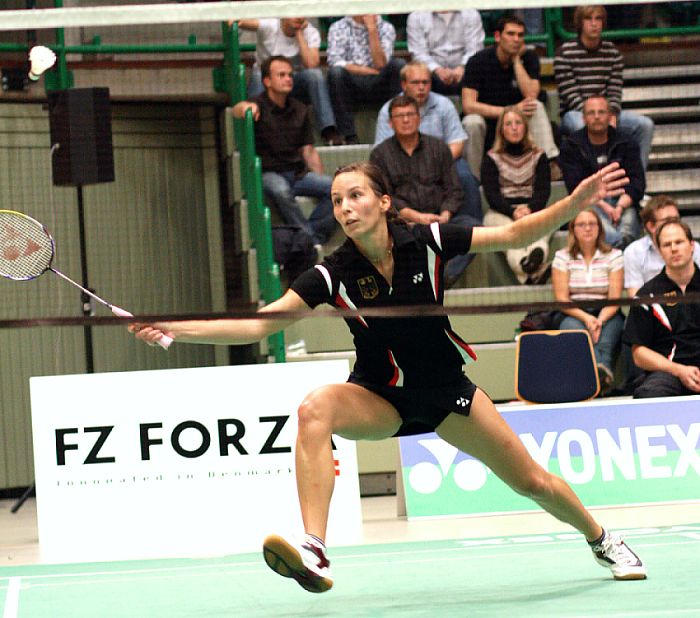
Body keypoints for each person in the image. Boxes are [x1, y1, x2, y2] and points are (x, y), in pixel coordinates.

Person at [131, 159, 647, 591]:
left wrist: (573, 204)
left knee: (533, 482)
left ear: (382, 201)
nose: (344, 207)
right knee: (314, 409)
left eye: (354, 195)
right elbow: (258, 324)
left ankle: (602, 539)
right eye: (336, 201)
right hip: (381, 397)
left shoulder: (427, 241)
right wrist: (176, 328)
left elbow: (514, 233)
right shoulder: (333, 272)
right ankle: (314, 549)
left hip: (448, 394)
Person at [232, 56, 335, 251]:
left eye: (290, 75)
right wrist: (245, 108)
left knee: (334, 188)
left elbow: (308, 149)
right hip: (268, 173)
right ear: (267, 81)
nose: (288, 79)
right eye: (281, 75)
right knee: (281, 191)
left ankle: (313, 234)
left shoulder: (299, 108)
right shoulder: (257, 104)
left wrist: (319, 177)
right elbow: (237, 110)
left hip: (296, 173)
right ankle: (310, 240)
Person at [370, 95, 474, 284]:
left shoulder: (438, 148)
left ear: (419, 118)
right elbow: (384, 197)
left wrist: (445, 214)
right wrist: (416, 217)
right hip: (404, 223)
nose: (406, 120)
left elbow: (454, 188)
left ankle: (444, 276)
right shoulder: (380, 155)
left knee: (474, 228)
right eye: (400, 116)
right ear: (390, 122)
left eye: (410, 114)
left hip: (440, 218)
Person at [374, 61, 482, 224]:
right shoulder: (388, 110)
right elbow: (383, 153)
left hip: (443, 156)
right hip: (401, 159)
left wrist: (433, 162)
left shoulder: (444, 105)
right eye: (416, 82)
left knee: (465, 177)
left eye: (425, 82)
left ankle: (472, 229)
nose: (421, 87)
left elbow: (457, 143)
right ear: (404, 84)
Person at [554, 5, 654, 169]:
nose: (594, 24)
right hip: (576, 113)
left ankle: (637, 182)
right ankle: (595, 183)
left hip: (607, 112)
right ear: (580, 23)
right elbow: (569, 94)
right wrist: (594, 115)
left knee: (644, 125)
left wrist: (610, 113)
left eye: (598, 19)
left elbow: (615, 91)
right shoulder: (564, 53)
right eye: (589, 19)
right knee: (580, 124)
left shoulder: (613, 53)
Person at [461, 15, 559, 181]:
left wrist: (516, 61)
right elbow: (468, 105)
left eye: (520, 35)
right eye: (511, 34)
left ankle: (548, 164)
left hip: (518, 125)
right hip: (489, 123)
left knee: (535, 105)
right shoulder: (478, 61)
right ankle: (475, 179)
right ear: (498, 36)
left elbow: (531, 95)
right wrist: (508, 111)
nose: (516, 39)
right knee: (471, 122)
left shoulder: (529, 58)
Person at [623, 219, 700, 398]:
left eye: (679, 242)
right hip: (670, 372)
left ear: (692, 245)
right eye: (667, 244)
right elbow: (639, 354)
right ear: (659, 252)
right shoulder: (647, 295)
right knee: (649, 393)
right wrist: (679, 370)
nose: (673, 248)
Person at [236, 17, 343, 145]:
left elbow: (312, 64)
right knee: (259, 76)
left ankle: (328, 130)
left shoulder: (310, 32)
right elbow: (241, 21)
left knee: (315, 75)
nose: (298, 17)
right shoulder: (270, 26)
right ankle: (250, 132)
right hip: (267, 82)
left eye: (301, 14)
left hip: (294, 81)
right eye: (293, 13)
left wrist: (299, 34)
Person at [552, 208, 625, 392]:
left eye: (592, 224)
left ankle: (598, 374)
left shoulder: (614, 255)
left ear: (600, 229)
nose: (587, 229)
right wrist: (587, 319)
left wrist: (599, 320)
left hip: (607, 311)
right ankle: (599, 376)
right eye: (581, 225)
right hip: (574, 311)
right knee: (574, 331)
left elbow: (614, 299)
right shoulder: (562, 256)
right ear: (573, 229)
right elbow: (562, 299)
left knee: (606, 339)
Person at [560, 95, 644, 250]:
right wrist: (605, 207)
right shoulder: (571, 146)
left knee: (628, 228)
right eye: (591, 113)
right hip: (589, 203)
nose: (597, 117)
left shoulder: (627, 142)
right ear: (584, 118)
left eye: (601, 112)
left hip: (623, 201)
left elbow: (637, 182)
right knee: (615, 236)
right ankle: (618, 251)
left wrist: (619, 207)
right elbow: (575, 187)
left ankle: (616, 253)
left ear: (610, 116)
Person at [481, 106, 552, 285]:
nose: (514, 128)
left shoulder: (539, 156)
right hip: (501, 211)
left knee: (546, 222)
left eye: (518, 123)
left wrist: (529, 209)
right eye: (509, 124)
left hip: (533, 208)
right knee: (510, 234)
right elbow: (492, 195)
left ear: (525, 127)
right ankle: (531, 268)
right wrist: (513, 212)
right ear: (501, 129)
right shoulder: (491, 158)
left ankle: (531, 263)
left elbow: (543, 191)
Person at [326, 14, 405, 145]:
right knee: (336, 73)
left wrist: (372, 30)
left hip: (379, 83)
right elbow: (335, 61)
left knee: (399, 65)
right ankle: (349, 135)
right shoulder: (338, 27)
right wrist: (367, 71)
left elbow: (381, 64)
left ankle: (396, 128)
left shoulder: (386, 27)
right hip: (351, 83)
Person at [624, 195, 700, 297]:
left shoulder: (694, 247)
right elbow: (636, 298)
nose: (674, 224)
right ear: (651, 226)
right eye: (668, 220)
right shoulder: (633, 252)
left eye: (677, 219)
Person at [406, 10, 485, 96]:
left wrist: (462, 67)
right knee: (422, 76)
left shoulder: (471, 14)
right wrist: (438, 70)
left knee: (476, 72)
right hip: (431, 70)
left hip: (465, 67)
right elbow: (419, 53)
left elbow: (475, 49)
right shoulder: (416, 16)